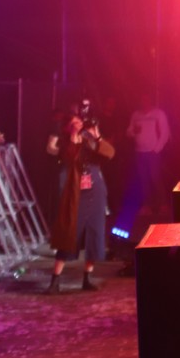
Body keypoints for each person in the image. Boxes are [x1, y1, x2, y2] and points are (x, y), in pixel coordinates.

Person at [45, 102, 113, 293]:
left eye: (79, 122)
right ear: (68, 127)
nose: (78, 125)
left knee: (95, 232)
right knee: (69, 233)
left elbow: (109, 153)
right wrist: (75, 138)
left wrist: (96, 135)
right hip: (75, 193)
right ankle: (55, 281)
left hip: (95, 190)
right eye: (74, 123)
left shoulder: (89, 139)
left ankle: (87, 278)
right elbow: (70, 157)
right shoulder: (66, 143)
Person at [124, 91, 171, 226]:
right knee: (143, 179)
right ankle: (147, 206)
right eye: (141, 99)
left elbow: (165, 132)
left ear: (150, 100)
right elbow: (129, 131)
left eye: (146, 99)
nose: (143, 102)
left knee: (155, 178)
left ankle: (163, 205)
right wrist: (133, 132)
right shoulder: (136, 115)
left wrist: (156, 149)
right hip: (139, 152)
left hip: (152, 152)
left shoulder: (158, 114)